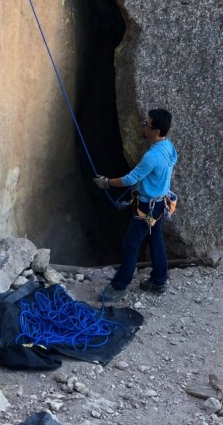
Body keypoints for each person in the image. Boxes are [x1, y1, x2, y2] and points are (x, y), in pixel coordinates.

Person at [93, 108, 178, 303]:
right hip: (160, 203)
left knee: (131, 245)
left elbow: (130, 179)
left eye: (146, 124)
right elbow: (172, 161)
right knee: (156, 240)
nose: (144, 127)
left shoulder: (152, 157)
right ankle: (159, 281)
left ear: (156, 131)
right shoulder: (168, 146)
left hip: (147, 207)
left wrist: (106, 183)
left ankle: (119, 287)